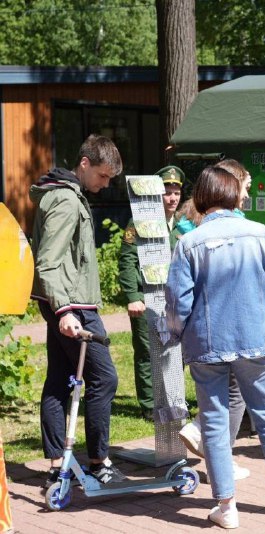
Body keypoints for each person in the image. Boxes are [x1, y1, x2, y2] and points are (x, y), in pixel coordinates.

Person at [166, 166, 265, 529]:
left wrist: (175, 333)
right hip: (254, 339)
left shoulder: (189, 242)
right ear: (234, 195)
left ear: (202, 196)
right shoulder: (260, 234)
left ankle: (226, 506)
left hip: (208, 343)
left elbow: (177, 303)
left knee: (214, 424)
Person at [30, 134, 127, 485]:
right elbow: (48, 262)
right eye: (102, 176)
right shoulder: (67, 201)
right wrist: (64, 311)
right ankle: (100, 461)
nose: (105, 185)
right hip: (71, 305)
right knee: (105, 378)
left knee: (58, 380)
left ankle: (58, 466)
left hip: (62, 302)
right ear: (84, 164)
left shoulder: (58, 194)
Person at [177, 158, 254, 481]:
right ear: (231, 187)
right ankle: (215, 451)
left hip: (201, 327)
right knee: (237, 390)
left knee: (217, 391)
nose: (247, 196)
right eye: (245, 187)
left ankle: (212, 449)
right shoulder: (236, 227)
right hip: (230, 323)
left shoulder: (189, 223)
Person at [118, 165, 183, 421]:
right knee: (147, 351)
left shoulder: (182, 224)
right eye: (167, 192)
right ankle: (149, 405)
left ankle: (173, 398)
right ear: (157, 194)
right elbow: (126, 261)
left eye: (176, 192)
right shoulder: (139, 222)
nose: (172, 198)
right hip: (146, 297)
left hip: (175, 299)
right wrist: (133, 296)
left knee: (175, 349)